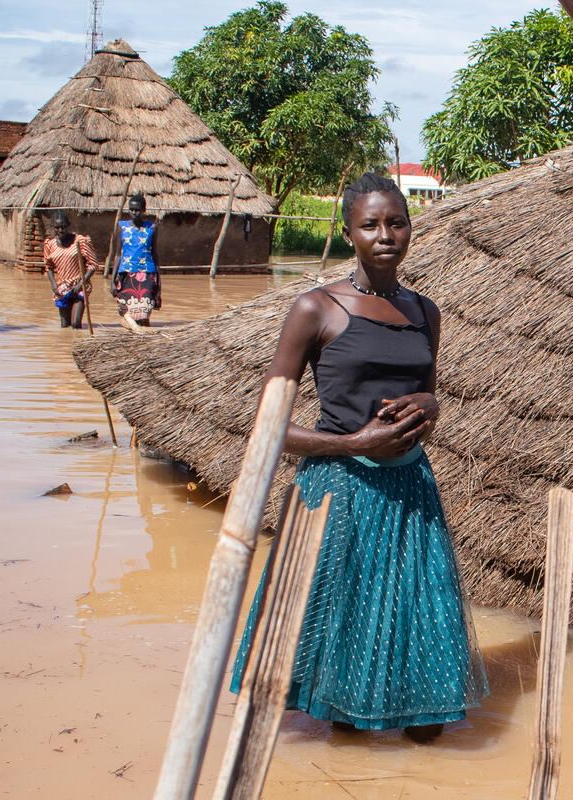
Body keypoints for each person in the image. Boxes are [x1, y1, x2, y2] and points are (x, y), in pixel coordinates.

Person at [229, 173, 488, 740]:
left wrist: (429, 404)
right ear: (349, 233)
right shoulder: (315, 309)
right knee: (344, 657)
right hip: (339, 490)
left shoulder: (425, 312)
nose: (385, 234)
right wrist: (353, 444)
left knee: (422, 642)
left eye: (396, 222)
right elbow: (265, 427)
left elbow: (428, 389)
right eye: (370, 224)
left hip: (410, 490)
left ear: (410, 228)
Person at [110, 194, 160, 326]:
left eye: (137, 210)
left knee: (144, 314)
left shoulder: (152, 228)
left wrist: (158, 283)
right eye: (131, 209)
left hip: (147, 275)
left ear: (144, 210)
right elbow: (117, 255)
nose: (134, 213)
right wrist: (112, 281)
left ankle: (145, 340)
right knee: (126, 313)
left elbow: (154, 253)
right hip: (126, 274)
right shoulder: (121, 227)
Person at [43, 211, 99, 329]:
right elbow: (48, 266)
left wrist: (81, 283)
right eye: (57, 228)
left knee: (75, 323)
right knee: (65, 326)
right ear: (53, 227)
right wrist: (53, 284)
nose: (61, 230)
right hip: (62, 288)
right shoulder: (50, 245)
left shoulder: (80, 241)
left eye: (63, 227)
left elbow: (93, 264)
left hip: (79, 286)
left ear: (68, 225)